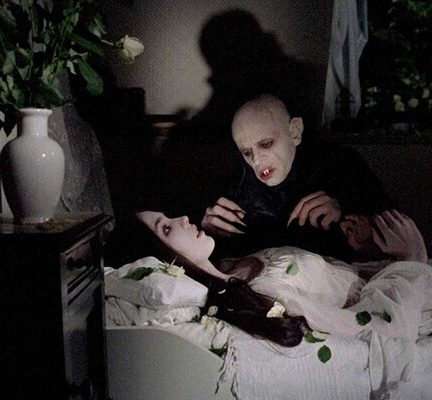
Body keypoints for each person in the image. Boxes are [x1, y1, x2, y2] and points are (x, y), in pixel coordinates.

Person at [136, 208, 430, 347]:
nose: (182, 219)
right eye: (166, 228)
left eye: (168, 216)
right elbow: (376, 326)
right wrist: (413, 259)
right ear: (167, 262)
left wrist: (372, 256)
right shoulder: (264, 295)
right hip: (415, 302)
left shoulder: (232, 266)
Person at [201, 94, 393, 261]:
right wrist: (209, 235)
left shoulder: (341, 163)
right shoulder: (237, 184)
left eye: (266, 144)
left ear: (294, 132)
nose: (257, 160)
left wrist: (346, 209)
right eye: (247, 152)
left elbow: (396, 232)